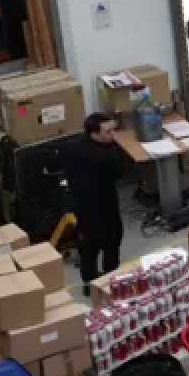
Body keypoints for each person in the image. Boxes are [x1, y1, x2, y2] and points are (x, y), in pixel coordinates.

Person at [66, 112, 125, 296]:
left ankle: (89, 285)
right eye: (108, 132)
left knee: (87, 252)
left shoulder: (74, 147)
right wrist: (117, 146)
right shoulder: (104, 156)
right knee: (111, 247)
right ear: (94, 134)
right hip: (104, 210)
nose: (113, 135)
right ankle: (110, 284)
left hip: (81, 209)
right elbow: (120, 172)